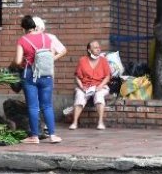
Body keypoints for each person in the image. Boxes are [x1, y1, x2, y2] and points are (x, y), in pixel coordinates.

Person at [13, 14, 62, 144]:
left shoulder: (23, 40)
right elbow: (51, 55)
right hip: (47, 75)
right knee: (47, 105)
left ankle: (34, 136)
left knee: (33, 107)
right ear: (34, 26)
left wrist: (24, 63)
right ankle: (53, 135)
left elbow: (18, 61)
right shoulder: (46, 38)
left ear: (24, 28)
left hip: (30, 75)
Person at [69, 40, 112, 130]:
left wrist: (100, 86)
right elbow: (77, 76)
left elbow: (107, 76)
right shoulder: (82, 60)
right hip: (85, 86)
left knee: (99, 96)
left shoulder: (103, 60)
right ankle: (74, 122)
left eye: (99, 47)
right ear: (89, 50)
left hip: (100, 85)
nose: (98, 49)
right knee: (80, 96)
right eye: (95, 48)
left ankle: (100, 122)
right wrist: (81, 87)